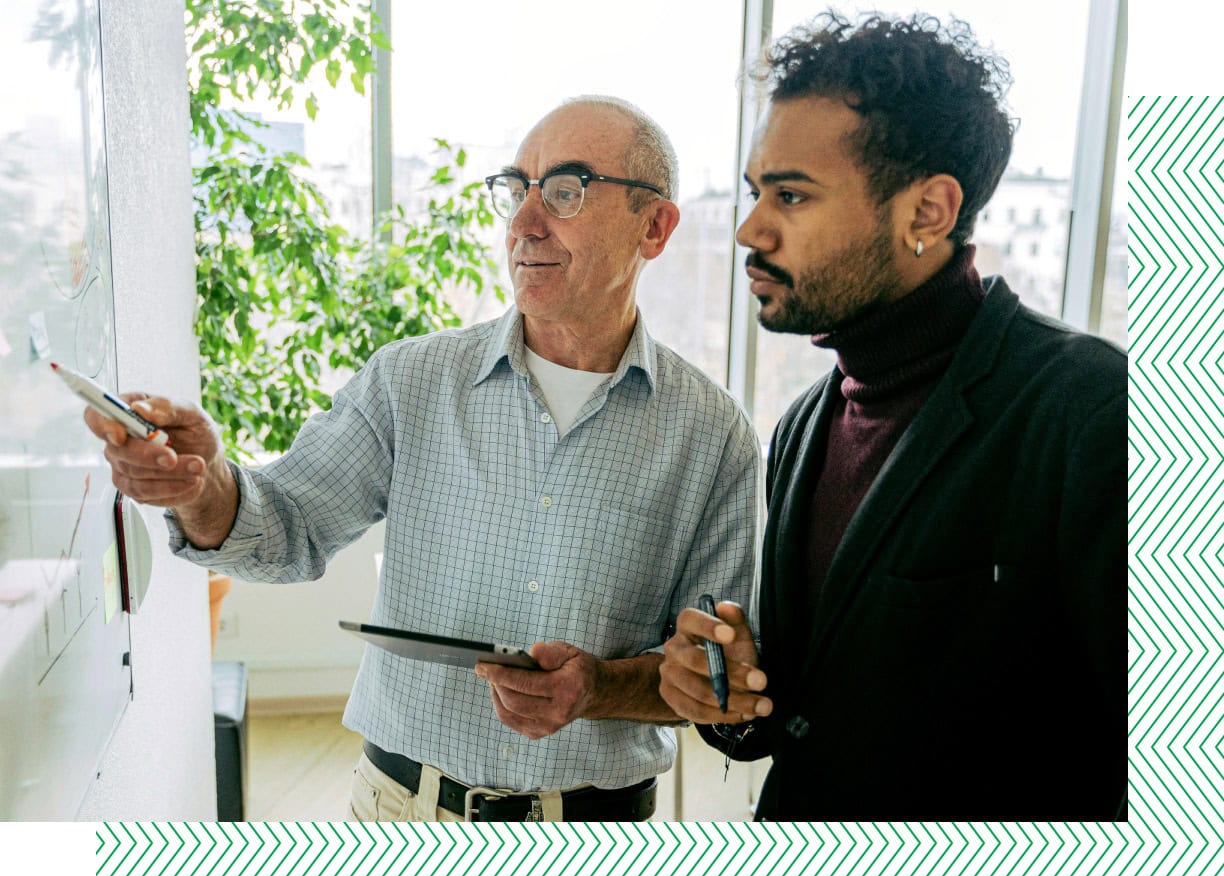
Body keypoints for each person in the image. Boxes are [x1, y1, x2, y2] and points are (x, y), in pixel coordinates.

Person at [86, 96, 761, 822]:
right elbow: (287, 528)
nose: (524, 222)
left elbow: (713, 674)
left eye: (565, 191)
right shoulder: (410, 380)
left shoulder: (713, 434)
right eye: (516, 190)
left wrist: (599, 687)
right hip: (400, 814)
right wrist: (201, 487)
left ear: (654, 226)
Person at [659, 12, 1125, 821]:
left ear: (928, 211)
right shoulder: (803, 426)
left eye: (790, 195)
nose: (749, 228)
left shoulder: (1091, 410)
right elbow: (803, 710)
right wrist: (730, 694)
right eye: (756, 190)